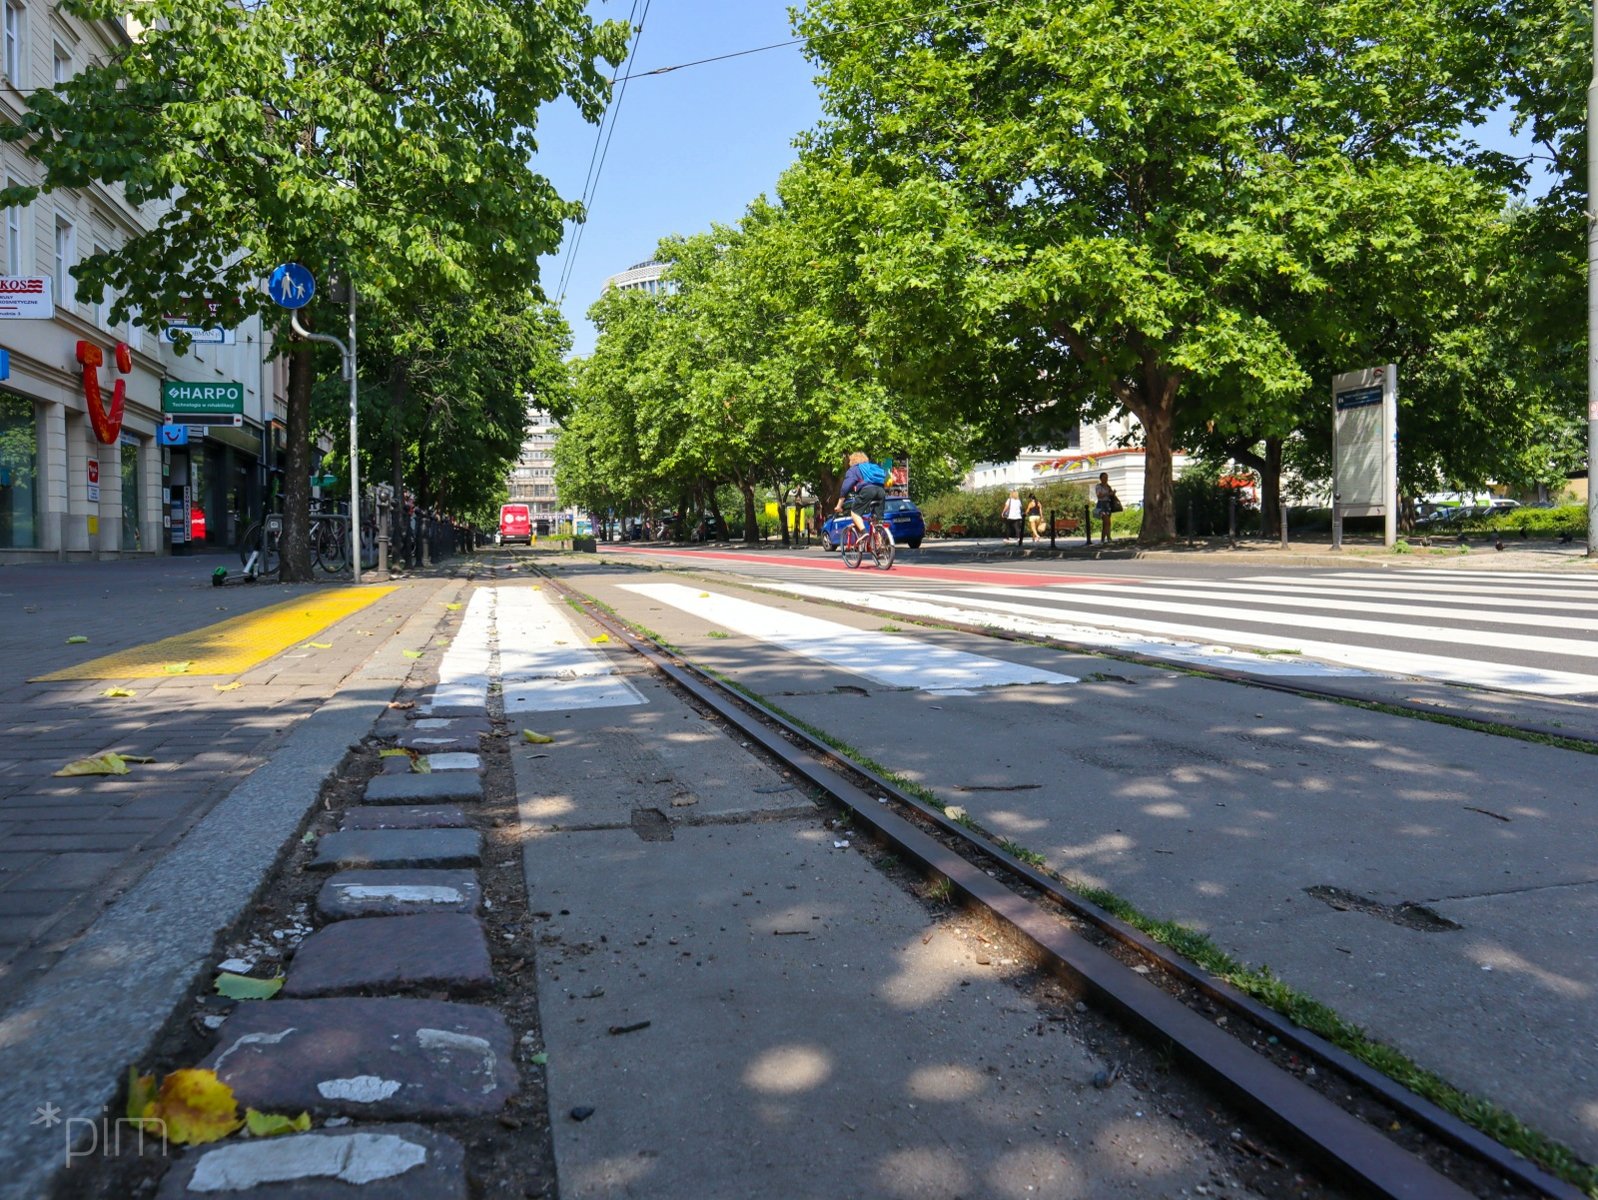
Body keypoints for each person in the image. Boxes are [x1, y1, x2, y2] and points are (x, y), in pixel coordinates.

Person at [834, 452, 888, 537]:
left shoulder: (854, 469)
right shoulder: (873, 467)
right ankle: (880, 545)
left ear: (852, 461)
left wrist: (839, 505)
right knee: (876, 521)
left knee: (855, 513)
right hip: (881, 491)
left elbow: (846, 487)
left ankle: (864, 533)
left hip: (868, 491)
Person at [1094, 472, 1119, 543]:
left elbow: (1111, 495)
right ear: (1101, 478)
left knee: (1107, 523)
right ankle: (1107, 538)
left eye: (1107, 477)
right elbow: (1099, 495)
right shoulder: (1098, 486)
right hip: (1101, 504)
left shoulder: (1108, 486)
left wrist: (1113, 494)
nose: (1106, 479)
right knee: (1106, 521)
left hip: (1108, 504)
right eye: (1104, 477)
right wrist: (1108, 493)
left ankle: (1105, 538)